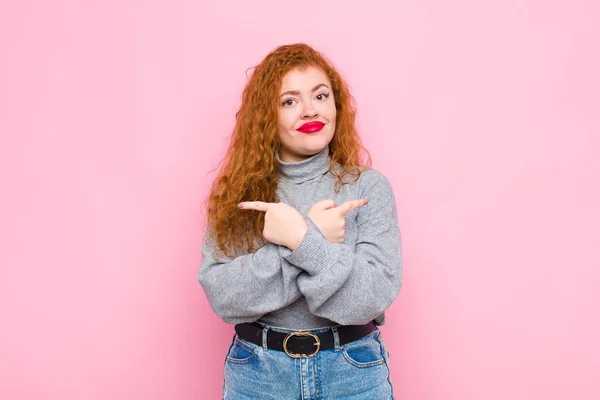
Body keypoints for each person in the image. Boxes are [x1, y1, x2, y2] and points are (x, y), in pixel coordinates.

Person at [198, 43, 402, 399]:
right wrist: (309, 242)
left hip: (353, 373)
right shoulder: (239, 194)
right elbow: (224, 297)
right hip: (257, 376)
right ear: (266, 115)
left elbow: (369, 298)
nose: (310, 110)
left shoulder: (368, 187)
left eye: (320, 96)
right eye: (289, 101)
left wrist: (300, 239)